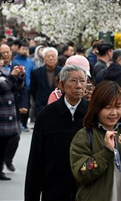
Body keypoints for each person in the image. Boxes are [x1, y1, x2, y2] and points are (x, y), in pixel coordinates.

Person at [70, 81, 121, 201]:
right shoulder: (84, 136)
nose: (114, 113)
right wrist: (106, 152)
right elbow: (81, 174)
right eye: (107, 107)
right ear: (96, 108)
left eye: (118, 106)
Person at [25, 64, 90, 201]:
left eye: (82, 81)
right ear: (61, 84)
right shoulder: (47, 115)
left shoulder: (92, 114)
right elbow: (36, 159)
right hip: (54, 189)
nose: (79, 85)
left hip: (86, 189)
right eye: (73, 80)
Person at [0, 50, 26, 181]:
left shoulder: (5, 73)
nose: (1, 62)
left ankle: (0, 170)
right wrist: (12, 77)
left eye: (2, 60)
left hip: (8, 113)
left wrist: (20, 77)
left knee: (5, 142)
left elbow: (15, 88)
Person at [30, 47, 62, 118]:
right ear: (44, 58)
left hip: (58, 105)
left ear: (56, 58)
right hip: (41, 106)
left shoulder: (62, 71)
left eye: (53, 56)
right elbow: (33, 89)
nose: (50, 58)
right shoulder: (36, 72)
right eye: (48, 56)